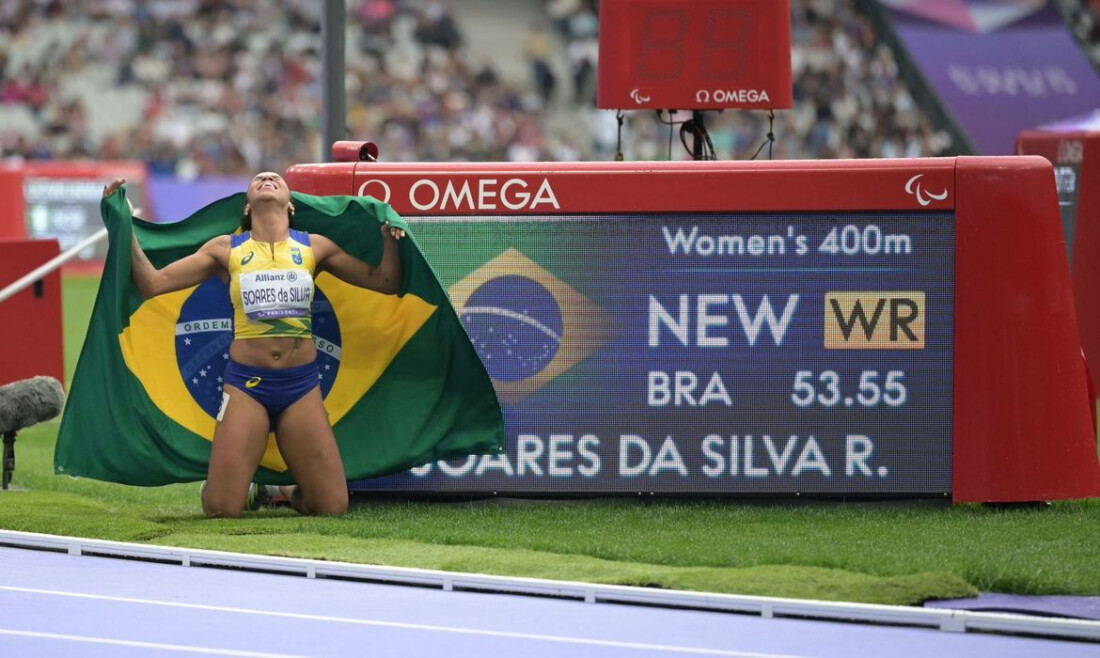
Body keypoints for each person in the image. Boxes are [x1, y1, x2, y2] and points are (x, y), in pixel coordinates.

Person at [102, 172, 406, 517]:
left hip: (301, 385)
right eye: (259, 178)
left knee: (332, 506)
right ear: (247, 207)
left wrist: (390, 238)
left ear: (291, 204)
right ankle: (237, 486)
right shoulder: (226, 249)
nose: (266, 177)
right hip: (247, 386)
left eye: (276, 178)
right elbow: (153, 284)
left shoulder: (314, 246)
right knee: (221, 509)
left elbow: (385, 281)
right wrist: (122, 222)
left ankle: (279, 489)